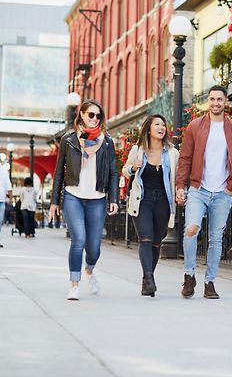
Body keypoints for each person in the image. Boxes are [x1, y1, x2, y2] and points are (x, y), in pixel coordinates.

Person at [176, 85, 232, 299]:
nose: (215, 103)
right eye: (212, 99)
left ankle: (210, 282)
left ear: (226, 102)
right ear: (208, 101)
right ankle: (189, 275)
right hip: (198, 189)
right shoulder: (195, 126)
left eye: (219, 99)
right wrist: (181, 185)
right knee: (191, 230)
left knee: (216, 238)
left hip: (222, 192)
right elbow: (185, 158)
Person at [50, 99, 119, 301]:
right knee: (78, 239)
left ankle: (89, 269)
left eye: (98, 116)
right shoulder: (69, 140)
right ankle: (74, 283)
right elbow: (58, 173)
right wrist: (55, 201)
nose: (95, 119)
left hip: (97, 198)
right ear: (81, 115)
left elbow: (113, 172)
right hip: (73, 196)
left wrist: (113, 197)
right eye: (91, 115)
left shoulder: (106, 142)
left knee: (94, 247)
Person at [122, 114, 179, 297]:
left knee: (155, 242)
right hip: (143, 200)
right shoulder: (138, 150)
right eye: (157, 124)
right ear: (148, 128)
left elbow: (177, 177)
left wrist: (180, 191)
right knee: (145, 239)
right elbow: (125, 169)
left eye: (163, 125)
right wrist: (133, 168)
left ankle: (147, 280)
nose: (161, 127)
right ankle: (149, 278)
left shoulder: (172, 153)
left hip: (163, 201)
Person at [0, 163, 13, 248]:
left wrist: (11, 198)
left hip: (1, 200)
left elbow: (9, 185)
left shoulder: (4, 171)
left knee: (0, 221)